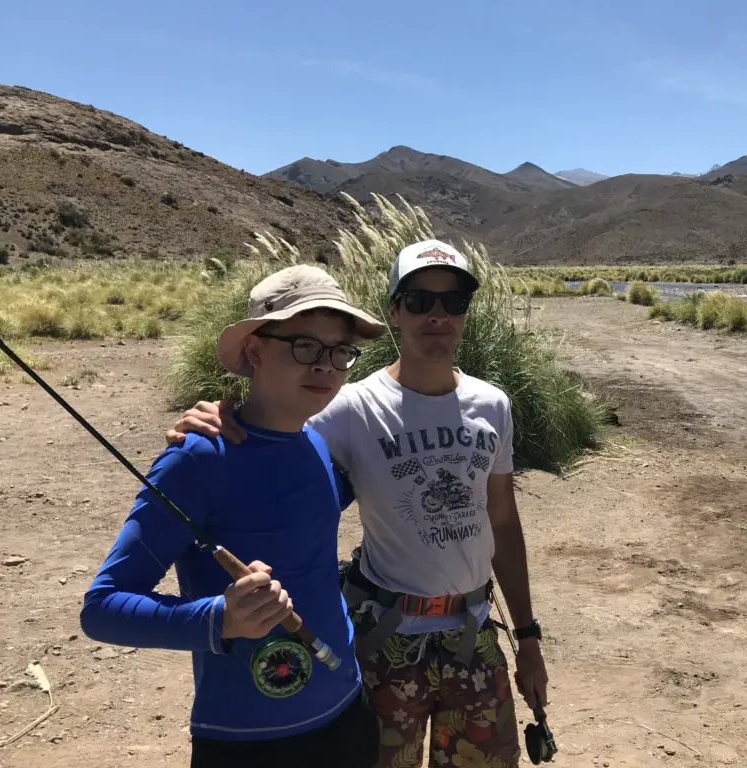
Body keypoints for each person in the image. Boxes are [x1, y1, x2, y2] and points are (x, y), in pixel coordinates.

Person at [168, 240, 549, 768]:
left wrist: (527, 638)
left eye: (453, 302)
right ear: (394, 310)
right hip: (385, 641)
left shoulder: (493, 405)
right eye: (419, 301)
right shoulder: (350, 406)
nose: (437, 315)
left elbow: (503, 524)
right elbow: (272, 422)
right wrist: (216, 414)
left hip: (474, 633)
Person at [81, 264, 388, 768]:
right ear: (254, 351)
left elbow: (306, 517)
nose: (326, 367)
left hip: (348, 714)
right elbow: (102, 608)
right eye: (305, 346)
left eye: (340, 351)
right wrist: (219, 619)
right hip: (248, 744)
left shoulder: (316, 440)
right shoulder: (198, 458)